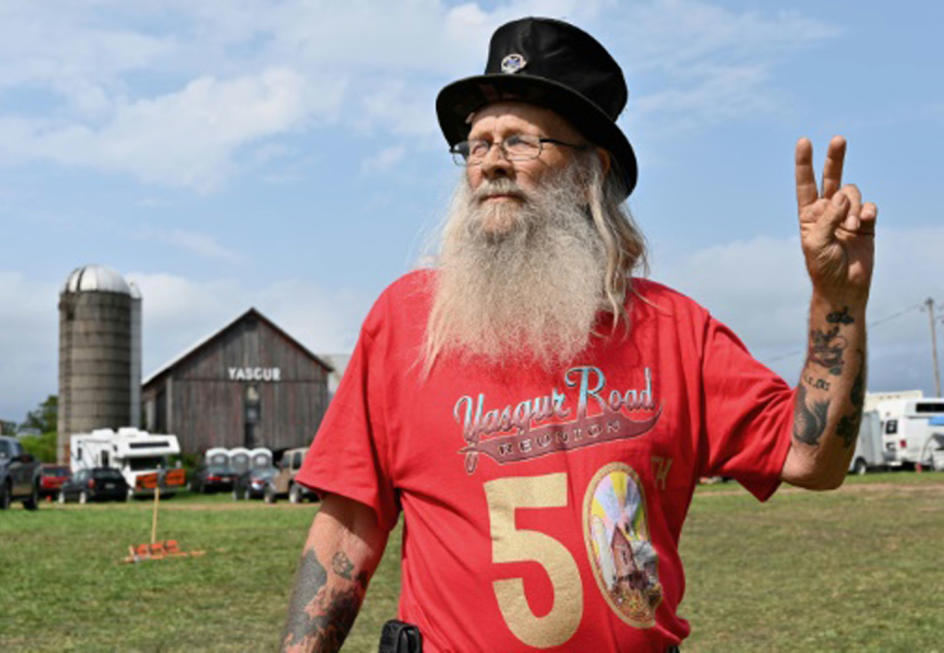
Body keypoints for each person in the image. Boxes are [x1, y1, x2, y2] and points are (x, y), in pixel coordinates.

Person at [281, 16, 877, 652]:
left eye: (520, 142)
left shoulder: (676, 331)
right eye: (477, 145)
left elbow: (813, 459)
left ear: (592, 169)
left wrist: (836, 302)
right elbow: (347, 528)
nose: (489, 165)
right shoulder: (406, 321)